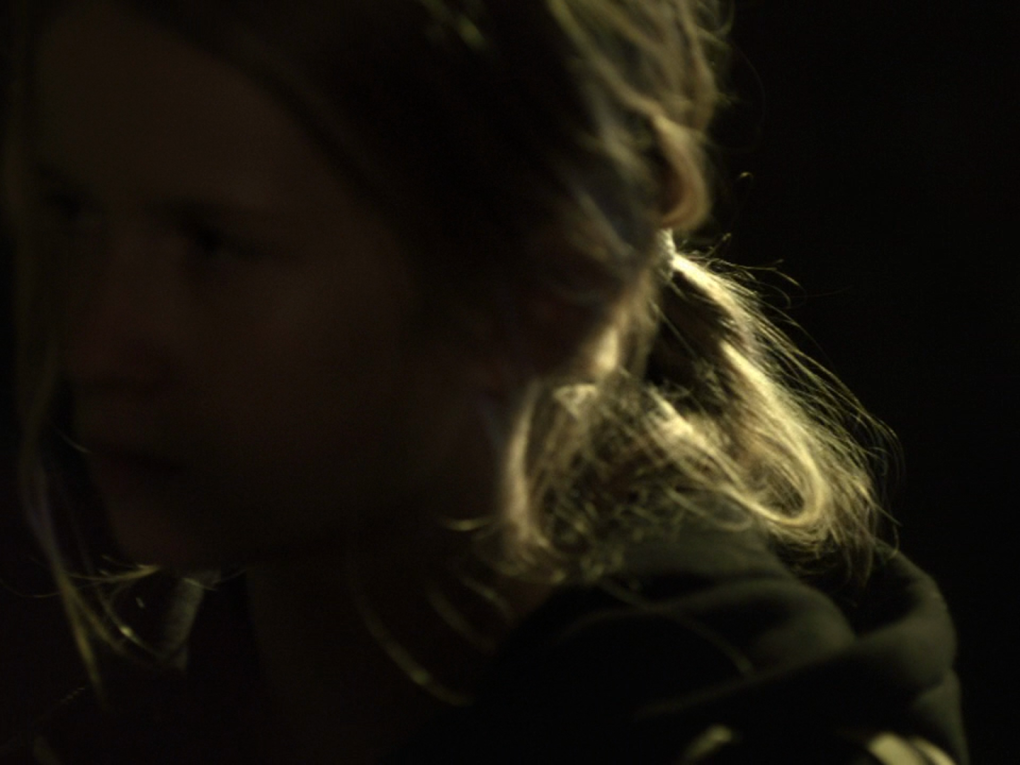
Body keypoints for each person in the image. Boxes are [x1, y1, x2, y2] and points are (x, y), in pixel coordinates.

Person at [0, 0, 967, 763]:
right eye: (71, 211)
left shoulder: (766, 731)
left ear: (556, 280)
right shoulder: (115, 696)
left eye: (214, 245)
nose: (95, 343)